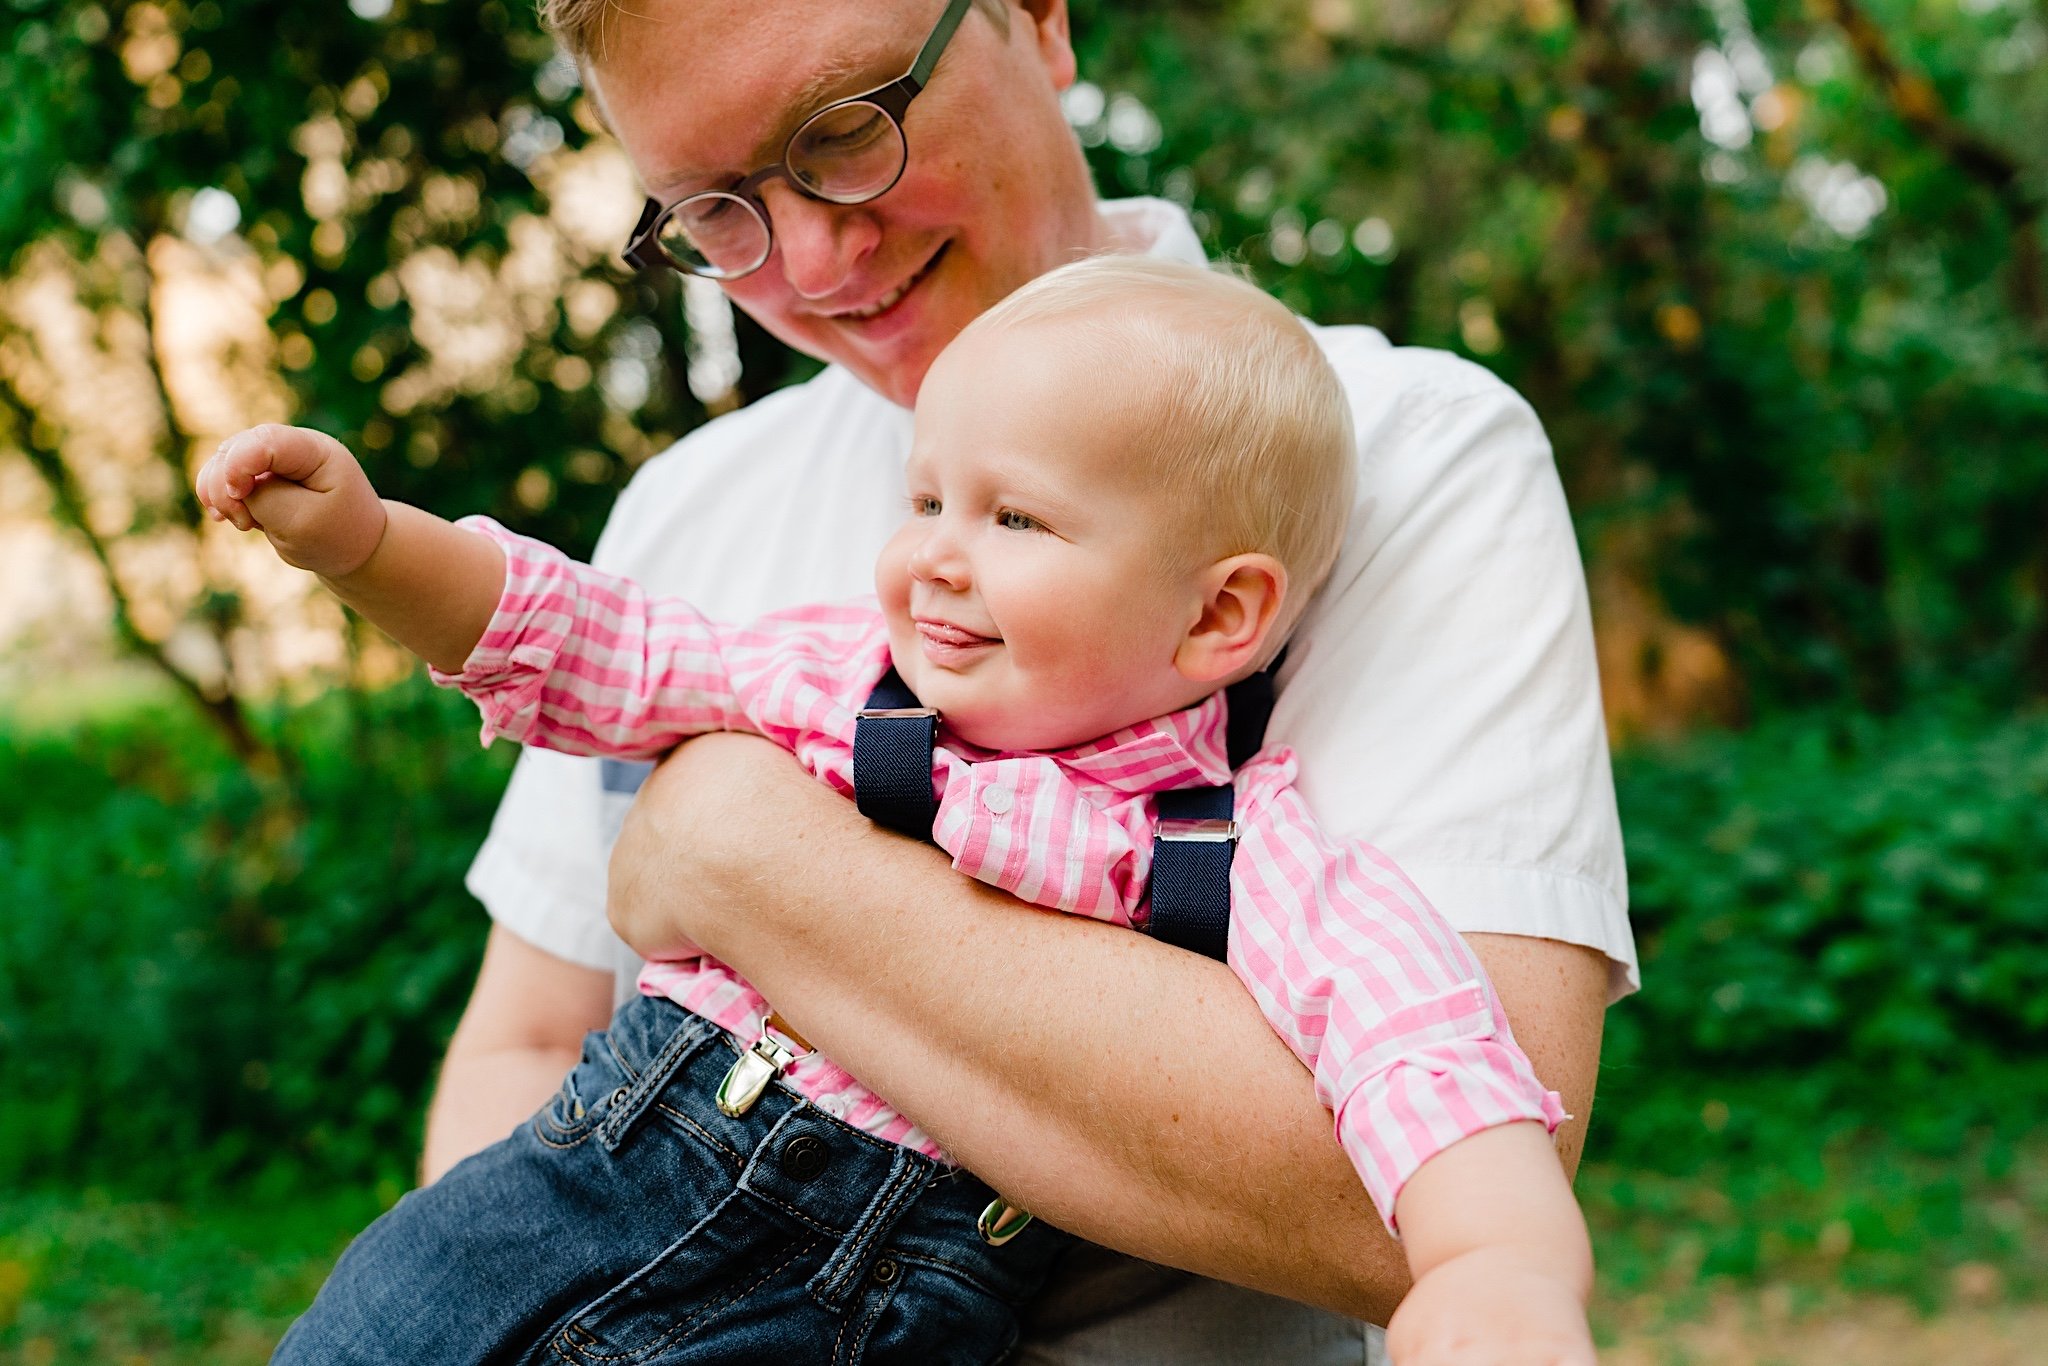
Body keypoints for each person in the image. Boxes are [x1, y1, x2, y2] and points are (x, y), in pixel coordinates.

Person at [426, 0, 1633, 1361]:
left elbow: (1405, 1206)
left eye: (844, 130)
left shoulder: (1407, 454)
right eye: (713, 207)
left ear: (1041, 20)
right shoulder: (687, 507)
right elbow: (527, 1044)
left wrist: (734, 852)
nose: (816, 259)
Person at [204, 255, 1595, 1366]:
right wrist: (374, 546)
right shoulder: (833, 686)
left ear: (1219, 610)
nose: (932, 553)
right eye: (926, 496)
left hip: (858, 1307)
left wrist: (1498, 1272)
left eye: (1017, 521)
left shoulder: (1234, 853)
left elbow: (1427, 1050)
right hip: (558, 1199)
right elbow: (585, 644)